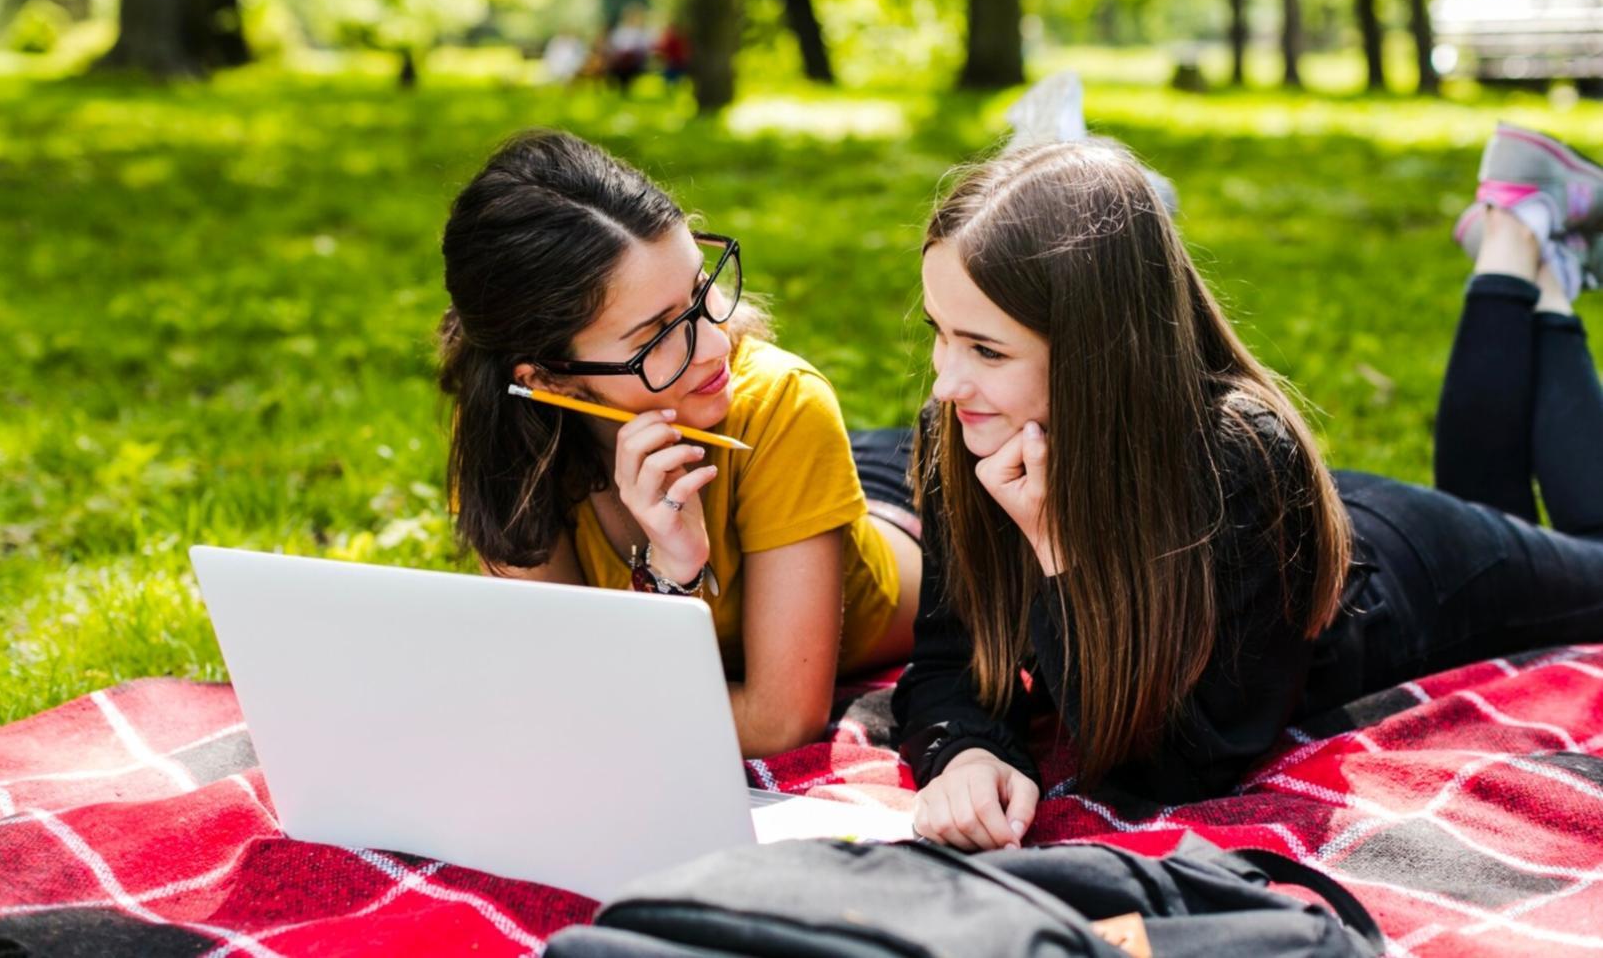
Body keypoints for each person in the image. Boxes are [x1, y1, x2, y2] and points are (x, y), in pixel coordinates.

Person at [892, 125, 1603, 851]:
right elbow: (950, 660)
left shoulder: (1242, 455)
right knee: (1513, 507)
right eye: (940, 332)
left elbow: (1185, 763)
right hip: (1288, 536)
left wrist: (1059, 552)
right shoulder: (964, 429)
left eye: (986, 347)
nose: (947, 380)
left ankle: (1516, 233)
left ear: (1097, 348)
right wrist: (968, 753)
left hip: (1411, 575)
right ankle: (1531, 261)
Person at [437, 130, 920, 759]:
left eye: (700, 290)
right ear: (548, 379)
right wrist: (670, 573)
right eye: (656, 333)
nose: (717, 344)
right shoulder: (509, 436)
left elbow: (780, 723)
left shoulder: (785, 400)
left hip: (911, 508)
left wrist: (597, 702)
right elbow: (559, 684)